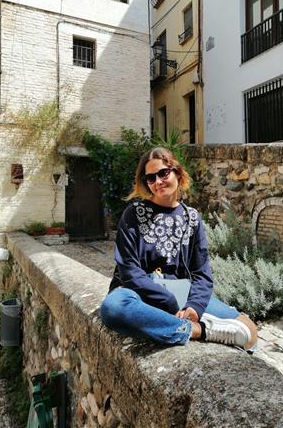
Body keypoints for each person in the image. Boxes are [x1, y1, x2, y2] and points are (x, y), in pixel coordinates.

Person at [100, 147, 258, 350]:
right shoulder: (133, 214)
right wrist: (167, 301)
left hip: (181, 292)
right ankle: (199, 331)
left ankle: (181, 324)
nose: (157, 181)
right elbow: (129, 270)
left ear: (177, 172)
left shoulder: (192, 219)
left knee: (249, 330)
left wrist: (195, 306)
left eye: (163, 173)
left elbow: (202, 273)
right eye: (150, 178)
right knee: (112, 308)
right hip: (138, 293)